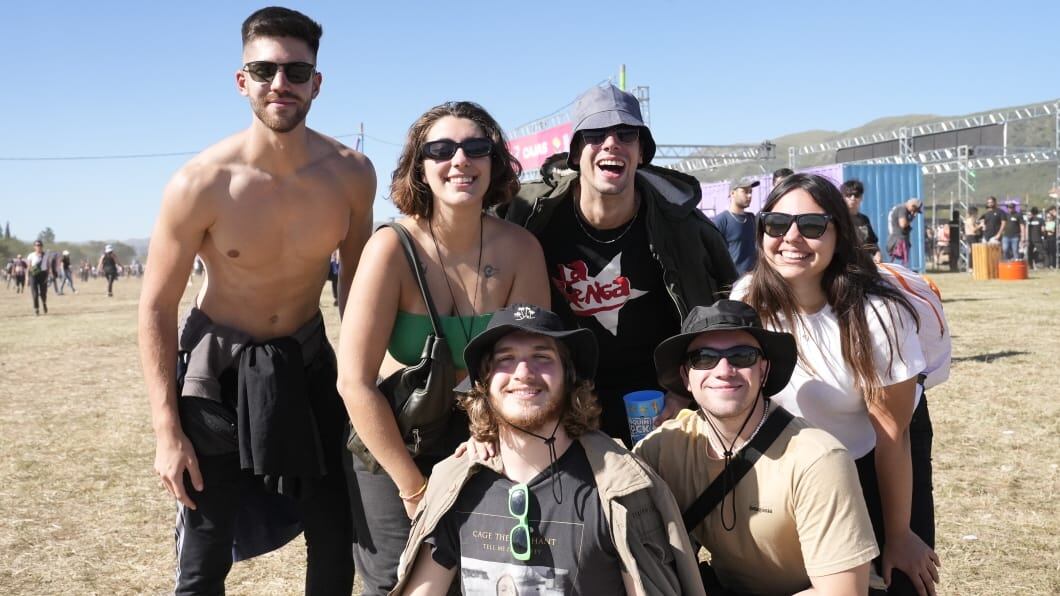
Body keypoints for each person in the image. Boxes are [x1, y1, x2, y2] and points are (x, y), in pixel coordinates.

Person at [137, 7, 375, 595]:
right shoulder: (201, 182)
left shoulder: (350, 175)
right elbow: (155, 306)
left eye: (297, 72)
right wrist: (168, 432)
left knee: (335, 534)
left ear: (317, 83)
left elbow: (357, 289)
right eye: (264, 69)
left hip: (306, 363)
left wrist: (365, 380)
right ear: (241, 80)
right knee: (205, 551)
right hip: (215, 375)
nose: (281, 84)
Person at [336, 101, 548, 595]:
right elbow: (354, 381)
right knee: (399, 580)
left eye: (477, 147)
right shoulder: (389, 247)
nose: (461, 160)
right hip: (397, 438)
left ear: (494, 163)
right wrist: (414, 490)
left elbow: (532, 365)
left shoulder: (521, 250)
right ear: (420, 166)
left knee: (482, 574)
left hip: (488, 433)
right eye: (441, 149)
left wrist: (492, 439)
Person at [392, 304, 704, 596]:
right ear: (484, 383)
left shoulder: (620, 492)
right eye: (505, 359)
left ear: (570, 379)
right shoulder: (455, 484)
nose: (523, 372)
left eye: (542, 357)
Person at [732, 173, 940, 596]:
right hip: (798, 464)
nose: (791, 238)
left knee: (899, 580)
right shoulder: (747, 299)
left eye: (811, 226)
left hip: (876, 450)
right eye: (776, 224)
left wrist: (899, 534)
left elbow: (892, 436)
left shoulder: (878, 314)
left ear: (838, 234)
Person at [500, 84, 738, 447]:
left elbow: (722, 312)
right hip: (562, 400)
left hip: (657, 405)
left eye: (626, 134)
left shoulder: (684, 229)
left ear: (642, 152)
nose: (611, 143)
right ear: (576, 153)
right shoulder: (530, 218)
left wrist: (685, 391)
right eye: (595, 135)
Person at [637, 300, 878, 595]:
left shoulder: (818, 458)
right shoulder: (662, 449)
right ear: (687, 377)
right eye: (703, 358)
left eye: (742, 356)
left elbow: (842, 592)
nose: (724, 370)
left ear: (763, 371)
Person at [713, 176, 759, 275]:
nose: (750, 195)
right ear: (732, 193)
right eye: (745, 191)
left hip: (753, 281)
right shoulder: (721, 221)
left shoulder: (752, 218)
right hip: (732, 283)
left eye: (751, 192)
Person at [841, 178, 881, 262]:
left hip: (864, 264)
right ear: (842, 197)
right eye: (848, 195)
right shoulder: (838, 218)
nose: (853, 198)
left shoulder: (864, 219)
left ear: (861, 197)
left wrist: (877, 253)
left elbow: (872, 242)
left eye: (856, 195)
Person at [886, 198, 922, 267]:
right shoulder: (902, 209)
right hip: (898, 243)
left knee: (898, 267)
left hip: (896, 241)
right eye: (915, 211)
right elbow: (903, 224)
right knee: (898, 268)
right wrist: (911, 218)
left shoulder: (900, 208)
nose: (914, 213)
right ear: (912, 206)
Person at [26, 240, 50, 315]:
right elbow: (29, 267)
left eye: (40, 245)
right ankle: (36, 309)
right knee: (35, 293)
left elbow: (48, 266)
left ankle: (44, 303)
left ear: (42, 247)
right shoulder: (31, 255)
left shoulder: (45, 255)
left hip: (43, 275)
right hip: (33, 275)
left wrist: (47, 276)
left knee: (43, 293)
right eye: (37, 245)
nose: (38, 247)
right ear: (34, 247)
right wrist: (27, 278)